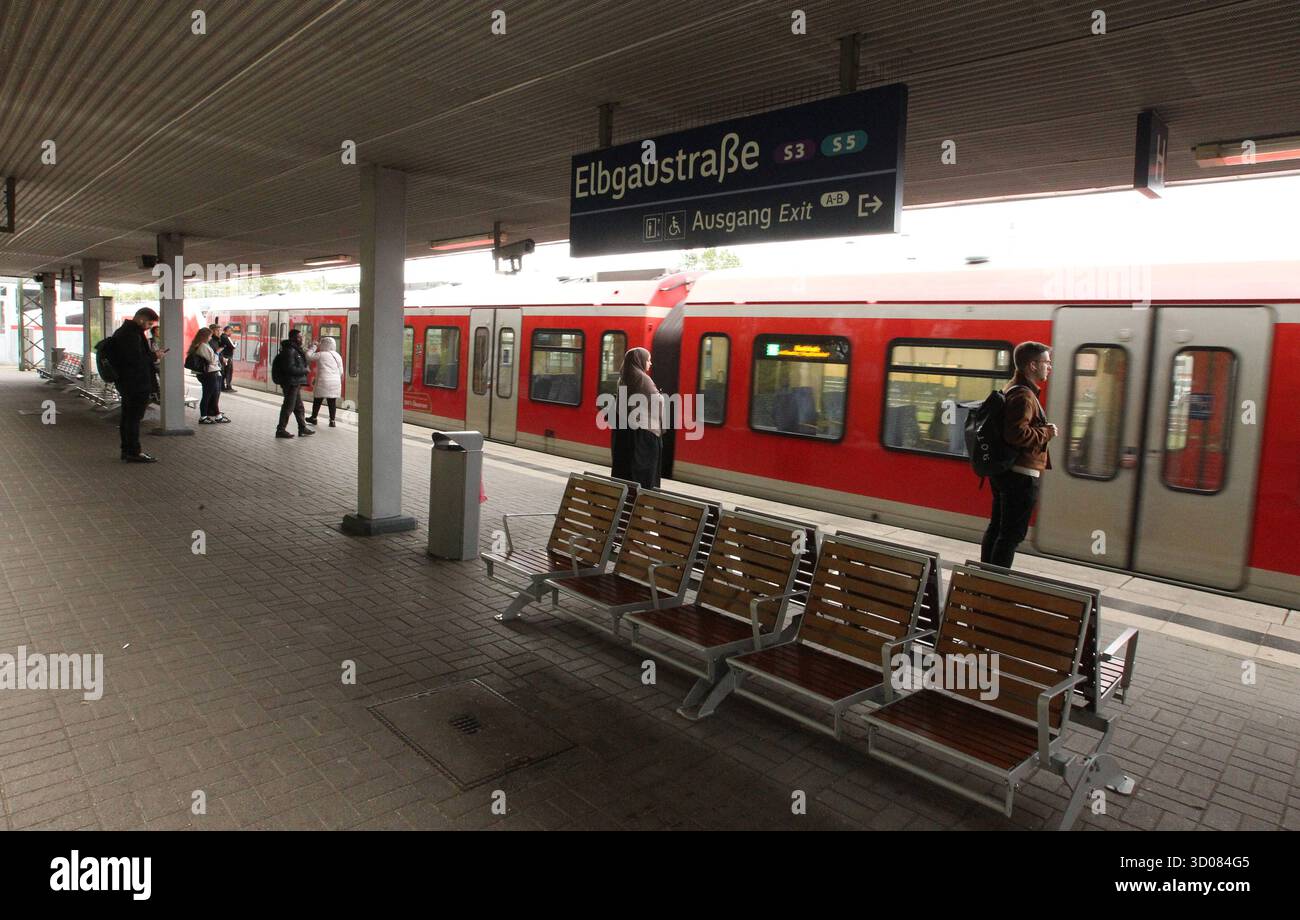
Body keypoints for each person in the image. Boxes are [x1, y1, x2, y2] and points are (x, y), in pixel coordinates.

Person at [980, 341, 1059, 568]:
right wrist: (1047, 432)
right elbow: (1016, 433)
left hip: (1006, 472)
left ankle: (985, 582)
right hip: (1020, 474)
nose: (1049, 367)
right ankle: (994, 587)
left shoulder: (1012, 387)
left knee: (997, 529)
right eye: (1046, 362)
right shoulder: (1024, 396)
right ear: (1032, 365)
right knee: (1010, 535)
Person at [109, 307, 161, 463]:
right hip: (135, 383)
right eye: (150, 324)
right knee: (133, 419)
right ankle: (133, 452)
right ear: (141, 319)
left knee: (128, 418)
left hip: (128, 383)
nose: (150, 327)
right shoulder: (131, 335)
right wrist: (154, 355)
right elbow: (135, 360)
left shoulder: (124, 332)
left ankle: (127, 450)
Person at [610, 347, 663, 488]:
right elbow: (658, 403)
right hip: (643, 438)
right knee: (644, 478)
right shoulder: (643, 380)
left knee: (625, 475)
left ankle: (624, 506)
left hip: (623, 435)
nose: (650, 363)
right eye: (648, 360)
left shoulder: (623, 379)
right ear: (640, 361)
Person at [275, 328, 315, 439]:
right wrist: (305, 370)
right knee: (288, 407)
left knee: (299, 407)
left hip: (295, 383)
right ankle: (280, 430)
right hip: (290, 383)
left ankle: (302, 428)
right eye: (299, 337)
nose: (301, 339)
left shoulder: (295, 349)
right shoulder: (290, 351)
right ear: (293, 338)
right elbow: (290, 368)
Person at [187, 328, 229, 424]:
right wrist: (218, 352)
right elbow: (212, 360)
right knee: (208, 396)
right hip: (209, 374)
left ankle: (216, 415)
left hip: (209, 373)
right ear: (205, 336)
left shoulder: (200, 345)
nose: (211, 338)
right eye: (210, 336)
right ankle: (204, 417)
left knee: (212, 395)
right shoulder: (203, 346)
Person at [306, 336, 344, 427]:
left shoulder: (321, 354)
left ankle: (314, 418)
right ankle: (332, 421)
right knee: (332, 402)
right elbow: (341, 372)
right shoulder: (337, 355)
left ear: (323, 344)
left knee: (318, 400)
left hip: (323, 381)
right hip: (335, 382)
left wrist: (314, 347)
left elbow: (308, 356)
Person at [218, 324, 237, 392]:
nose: (231, 333)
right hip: (228, 357)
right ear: (228, 331)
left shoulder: (221, 337)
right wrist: (236, 343)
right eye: (231, 331)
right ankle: (228, 387)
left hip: (223, 357)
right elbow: (233, 346)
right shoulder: (226, 337)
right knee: (229, 372)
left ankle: (222, 387)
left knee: (223, 372)